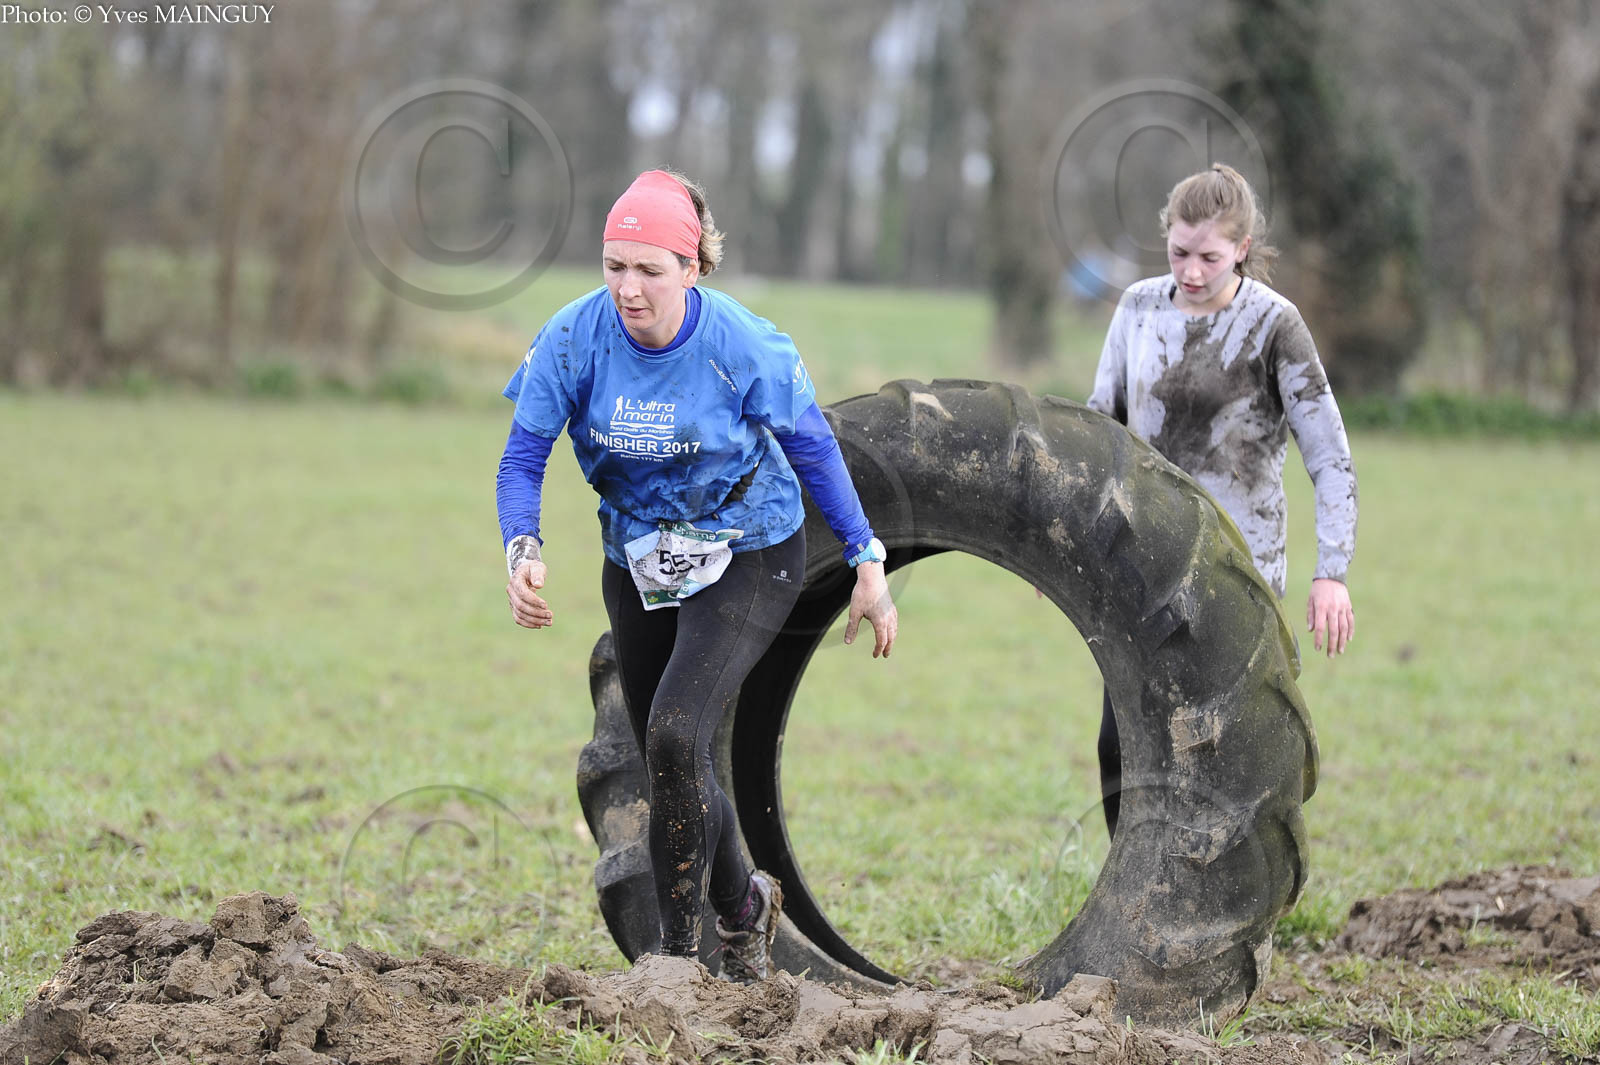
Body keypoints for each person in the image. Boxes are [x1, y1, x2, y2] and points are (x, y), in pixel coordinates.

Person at [496, 169, 898, 981]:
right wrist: (522, 547)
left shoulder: (741, 344)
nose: (628, 289)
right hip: (638, 556)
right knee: (668, 757)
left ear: (692, 268)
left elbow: (815, 449)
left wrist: (866, 559)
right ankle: (745, 909)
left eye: (650, 269)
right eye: (615, 266)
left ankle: (677, 964)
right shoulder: (573, 339)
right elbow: (522, 457)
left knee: (678, 733)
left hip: (750, 549)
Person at [1086, 162, 1357, 838]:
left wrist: (1331, 571)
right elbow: (1100, 429)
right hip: (1141, 568)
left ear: (1242, 248)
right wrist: (1070, 532)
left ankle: (1236, 894)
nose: (1191, 271)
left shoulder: (1274, 325)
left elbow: (1330, 457)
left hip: (1237, 578)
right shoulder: (1138, 308)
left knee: (1222, 760)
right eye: (1179, 252)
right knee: (1121, 748)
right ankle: (1135, 889)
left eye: (1209, 257)